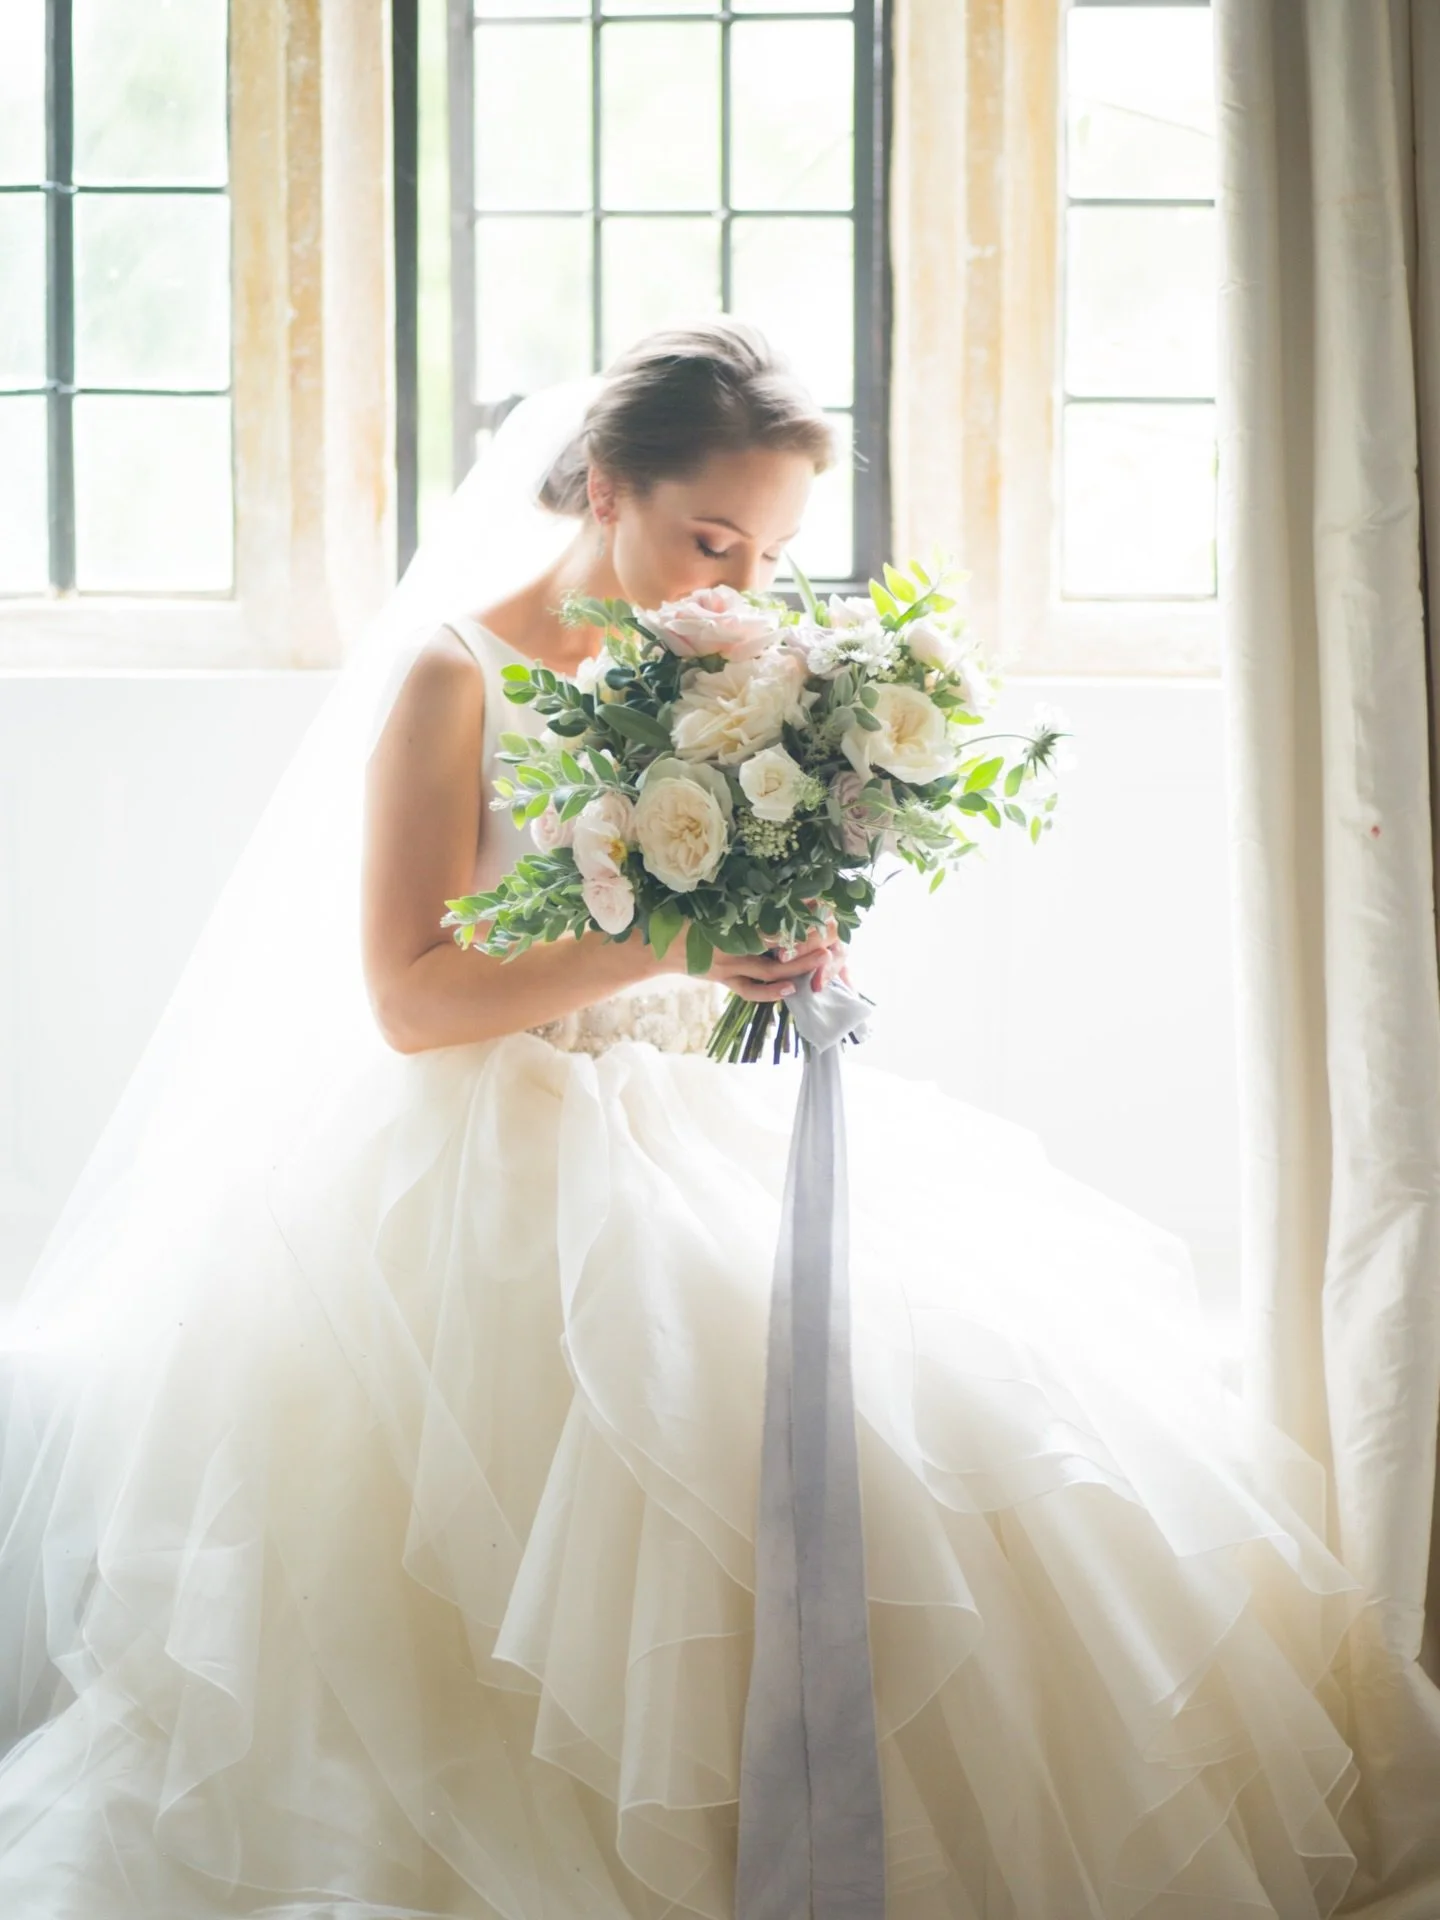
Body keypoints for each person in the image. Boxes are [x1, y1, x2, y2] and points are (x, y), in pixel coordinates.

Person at [0, 321, 1367, 1919]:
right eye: (711, 537)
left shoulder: (727, 669)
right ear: (599, 485)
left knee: (914, 1427)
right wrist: (672, 940)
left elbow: (712, 910)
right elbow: (410, 995)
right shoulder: (457, 674)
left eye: (774, 551)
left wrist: (786, 940)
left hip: (689, 1113)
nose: (743, 580)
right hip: (488, 1160)